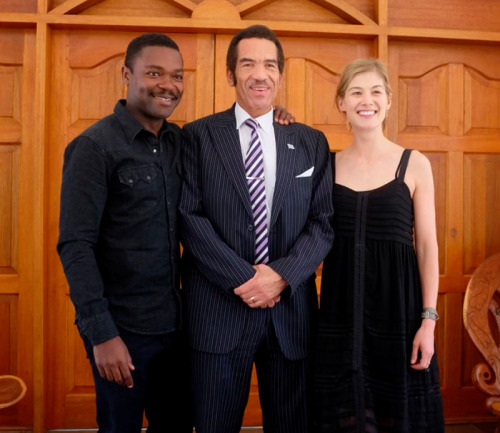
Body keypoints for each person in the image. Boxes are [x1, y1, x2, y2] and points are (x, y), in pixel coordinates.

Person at [179, 24, 334, 433]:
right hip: (217, 311)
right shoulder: (197, 136)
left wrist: (280, 277)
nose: (259, 74)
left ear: (280, 74)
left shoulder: (310, 142)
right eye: (247, 63)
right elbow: (189, 218)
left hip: (290, 315)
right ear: (230, 74)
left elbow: (323, 223)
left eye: (269, 64)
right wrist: (248, 280)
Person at [57, 33, 193, 433]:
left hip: (175, 326)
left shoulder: (179, 142)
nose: (168, 84)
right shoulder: (94, 147)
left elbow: (229, 140)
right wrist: (102, 336)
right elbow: (75, 245)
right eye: (154, 72)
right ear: (126, 74)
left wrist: (275, 118)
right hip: (122, 332)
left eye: (177, 76)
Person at [313, 58, 444, 432]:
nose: (365, 100)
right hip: (340, 314)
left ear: (388, 100)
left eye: (374, 91)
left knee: (396, 416)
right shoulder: (328, 165)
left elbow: (428, 247)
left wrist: (428, 321)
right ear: (341, 103)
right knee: (346, 415)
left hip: (399, 313)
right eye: (355, 92)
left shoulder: (414, 164)